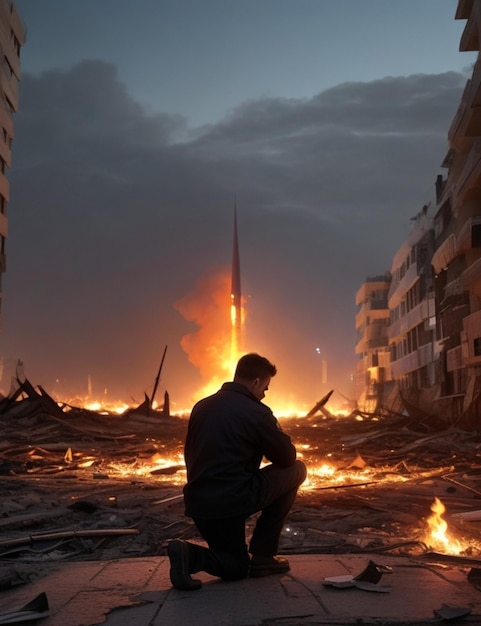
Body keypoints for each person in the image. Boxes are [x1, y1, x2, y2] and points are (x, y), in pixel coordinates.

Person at [167, 352, 307, 590]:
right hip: (231, 501)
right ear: (255, 382)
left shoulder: (201, 406)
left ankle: (190, 555)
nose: (264, 393)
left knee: (232, 560)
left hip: (200, 504)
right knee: (296, 470)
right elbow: (286, 457)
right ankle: (262, 556)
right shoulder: (257, 412)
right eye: (265, 387)